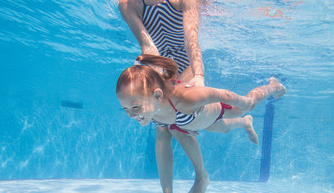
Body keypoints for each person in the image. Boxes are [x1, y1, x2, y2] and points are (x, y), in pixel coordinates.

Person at [118, 0, 210, 193]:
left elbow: (192, 41)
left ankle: (201, 175)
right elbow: (148, 48)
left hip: (186, 63)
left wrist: (199, 76)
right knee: (162, 130)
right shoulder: (129, 3)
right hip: (157, 63)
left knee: (179, 124)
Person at [116, 53, 286, 151]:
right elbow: (169, 120)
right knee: (223, 128)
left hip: (218, 109)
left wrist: (242, 103)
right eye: (125, 108)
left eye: (135, 107)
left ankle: (272, 87)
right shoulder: (151, 110)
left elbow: (223, 94)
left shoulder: (186, 99)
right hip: (199, 122)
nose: (131, 114)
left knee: (250, 104)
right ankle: (245, 123)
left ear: (157, 96)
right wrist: (186, 128)